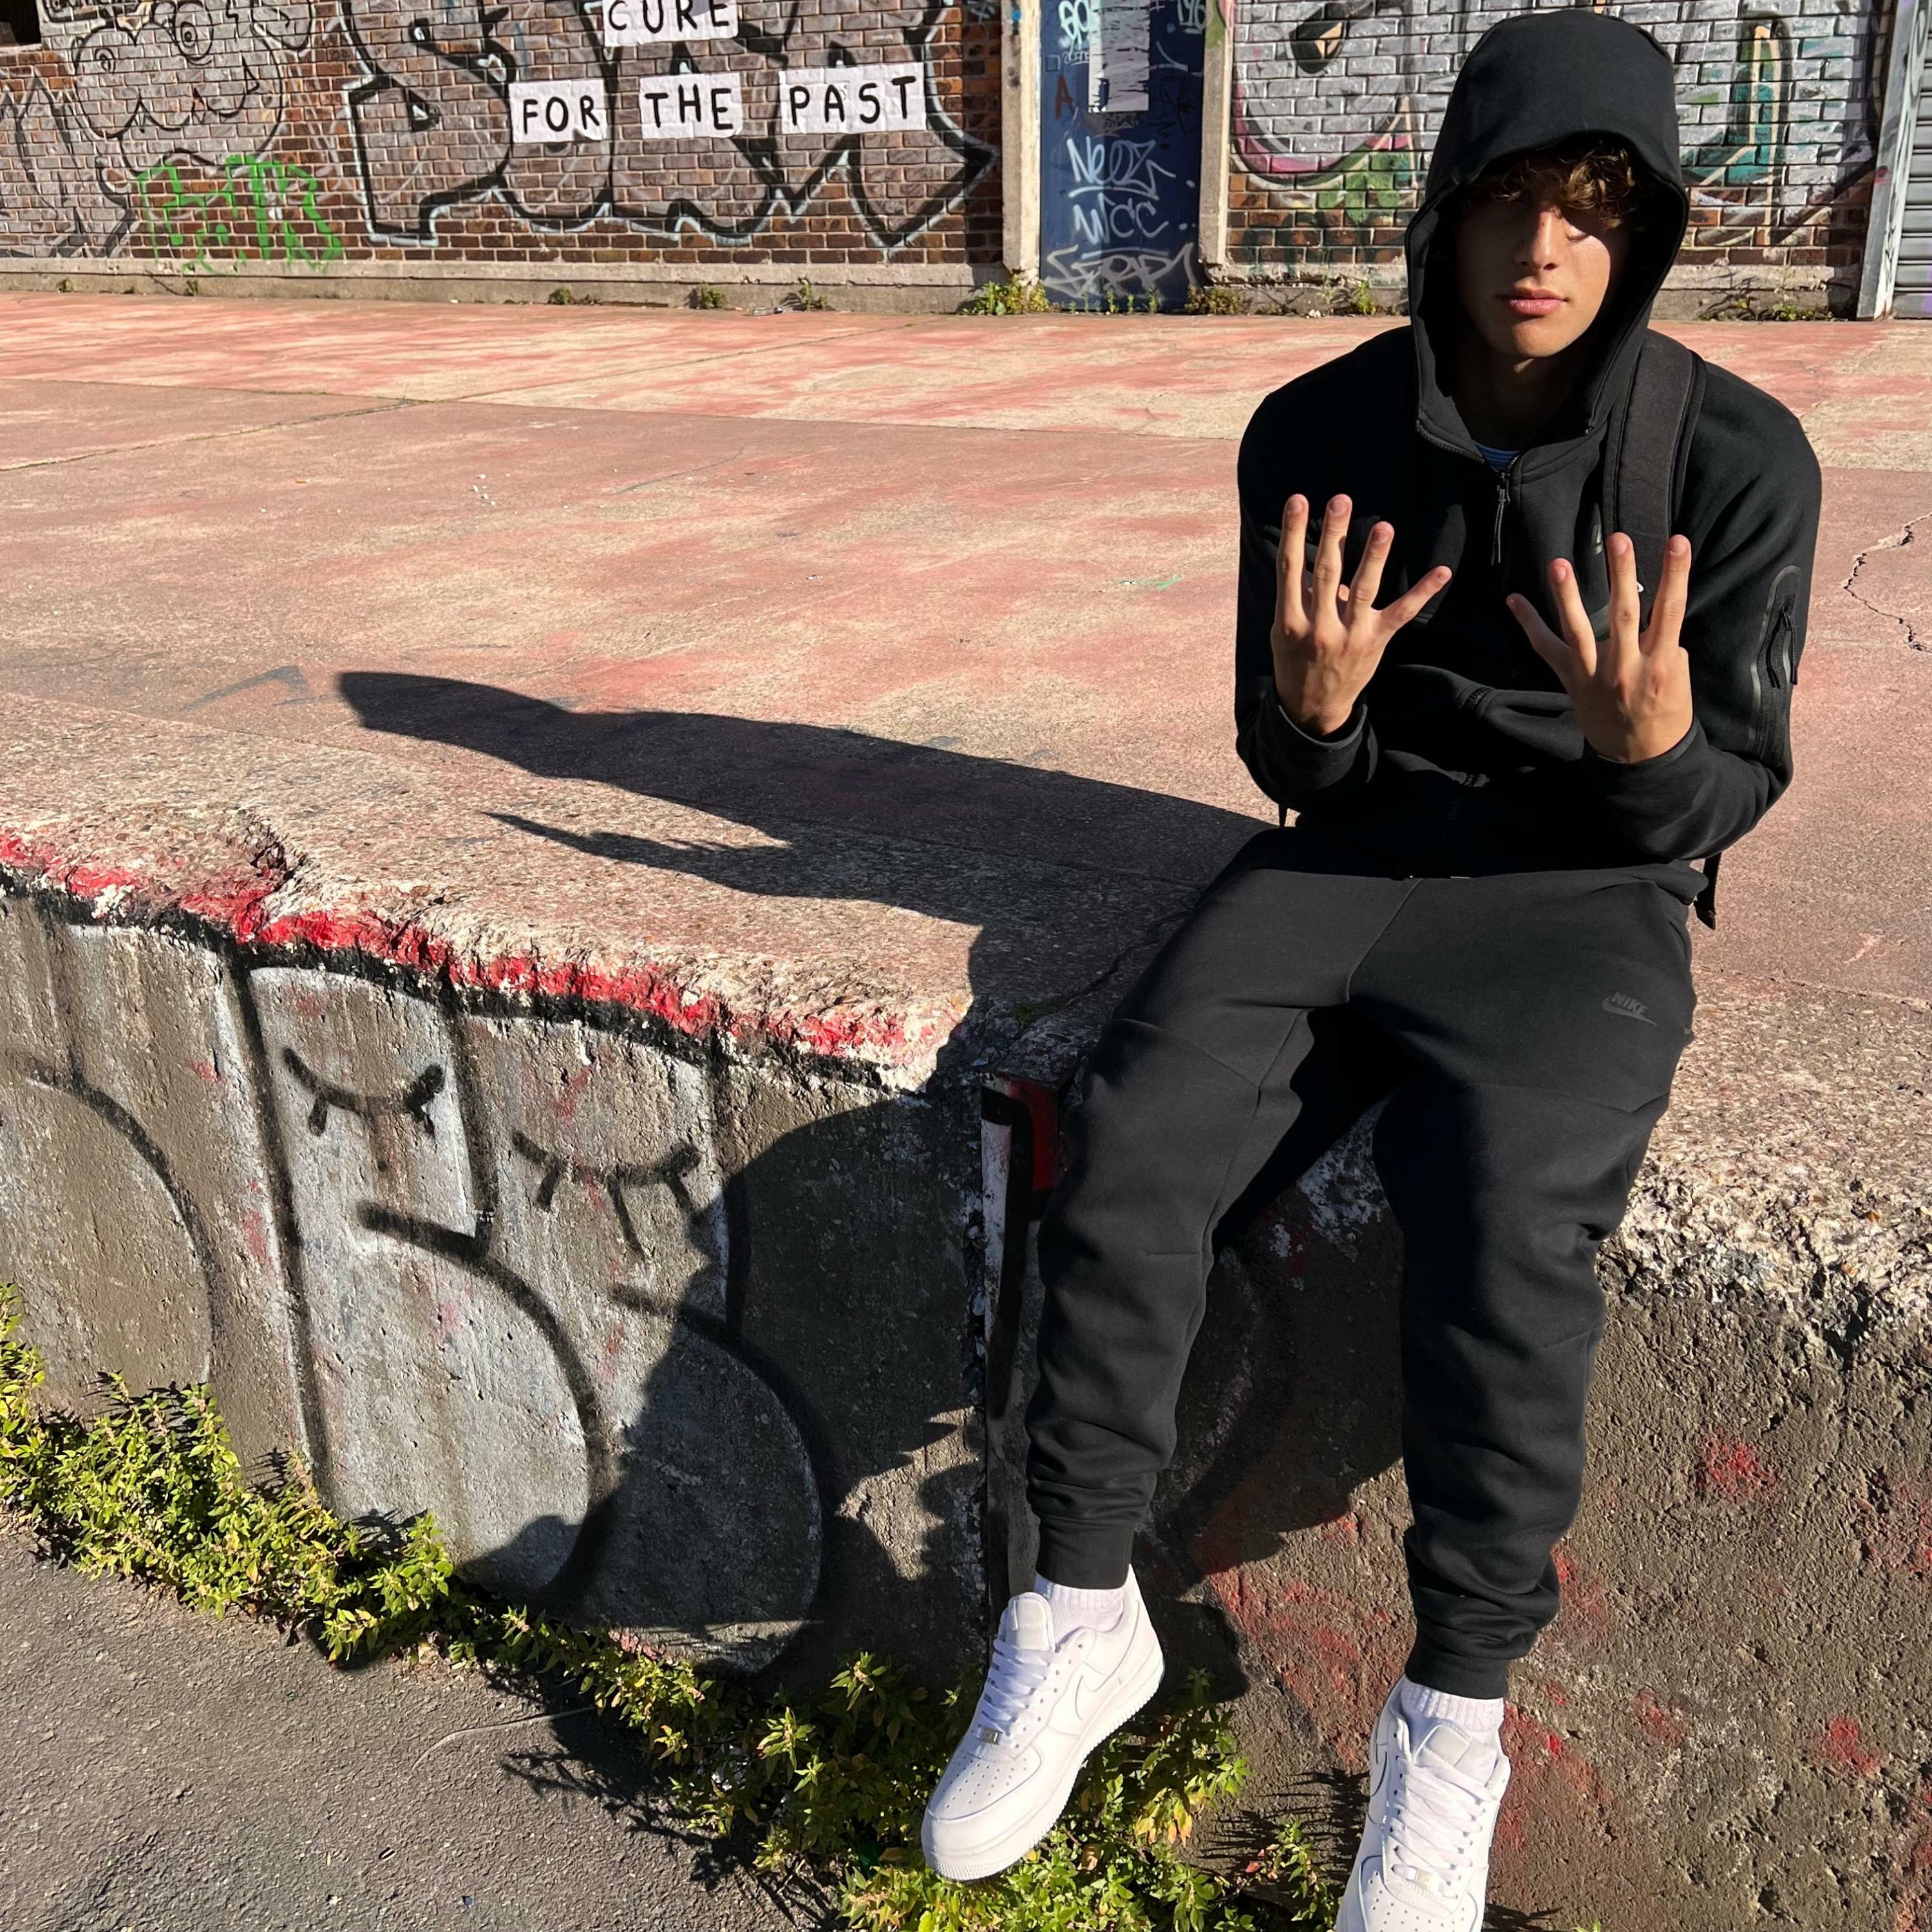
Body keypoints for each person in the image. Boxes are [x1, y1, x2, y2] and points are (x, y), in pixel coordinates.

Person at [921, 10, 1822, 1927]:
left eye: (1597, 208)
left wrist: (1655, 752)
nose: (1546, 250)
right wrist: (1321, 720)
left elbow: (1729, 790)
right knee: (1133, 1125)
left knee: (1508, 1219)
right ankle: (1076, 1609)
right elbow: (1286, 756)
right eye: (1508, 199)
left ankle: (1452, 1725)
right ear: (1443, 209)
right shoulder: (1314, 431)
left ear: (1651, 228)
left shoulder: (1739, 458)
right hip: (1358, 851)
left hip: (1584, 887)